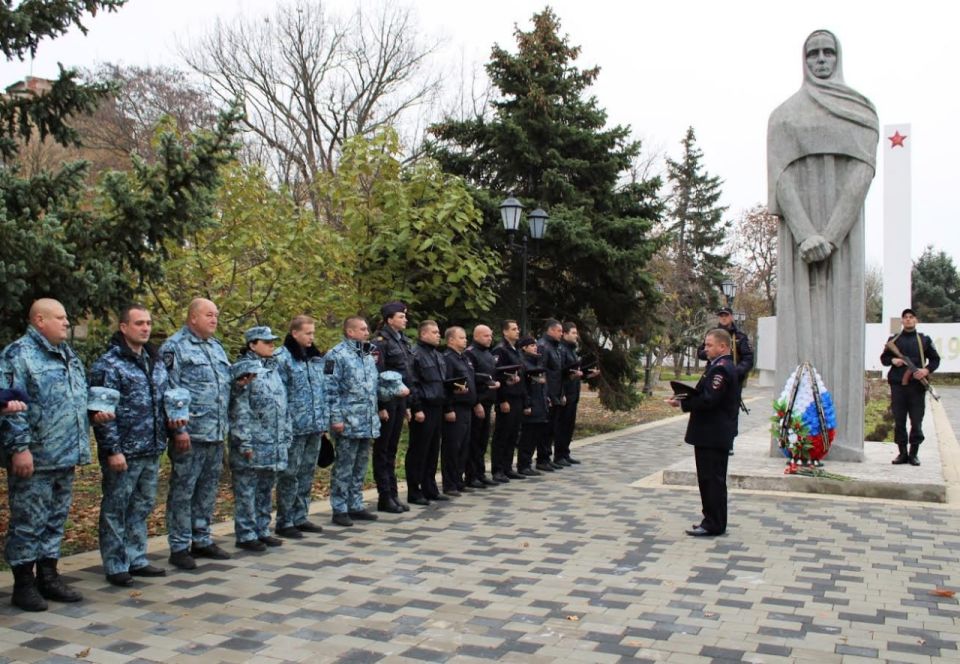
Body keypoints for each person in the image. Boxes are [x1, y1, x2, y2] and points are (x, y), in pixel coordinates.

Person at [768, 29, 878, 461]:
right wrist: (803, 232)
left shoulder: (860, 110)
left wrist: (830, 235)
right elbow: (780, 177)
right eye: (812, 53)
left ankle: (842, 439)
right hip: (799, 241)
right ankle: (794, 439)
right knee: (802, 329)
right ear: (803, 60)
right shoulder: (784, 116)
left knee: (842, 326)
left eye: (828, 52)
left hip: (842, 241)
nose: (820, 60)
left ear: (839, 56)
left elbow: (863, 172)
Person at [1, 298, 113, 611]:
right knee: (27, 522)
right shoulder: (18, 355)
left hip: (65, 454)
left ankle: (48, 576)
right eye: (60, 317)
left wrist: (94, 412)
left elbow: (72, 399)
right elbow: (11, 407)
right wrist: (19, 448)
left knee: (54, 520)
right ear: (39, 320)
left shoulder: (68, 355)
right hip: (35, 457)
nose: (66, 322)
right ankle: (23, 583)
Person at [90, 304, 184, 587]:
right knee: (116, 508)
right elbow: (102, 414)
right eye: (139, 323)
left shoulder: (154, 361)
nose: (145, 328)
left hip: (151, 448)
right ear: (123, 327)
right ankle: (116, 563)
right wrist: (113, 450)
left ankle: (136, 557)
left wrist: (177, 425)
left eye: (148, 323)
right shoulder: (109, 365)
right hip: (124, 451)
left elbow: (168, 400)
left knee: (141, 506)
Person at [160, 298, 233, 570]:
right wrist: (179, 429)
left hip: (215, 432)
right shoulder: (175, 347)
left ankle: (201, 538)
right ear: (192, 318)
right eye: (208, 315)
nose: (214, 319)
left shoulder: (216, 347)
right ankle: (179, 545)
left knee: (207, 489)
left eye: (216, 314)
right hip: (190, 434)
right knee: (183, 490)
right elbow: (170, 391)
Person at [666, 329, 739, 537]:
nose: (705, 349)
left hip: (713, 434)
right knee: (708, 479)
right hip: (711, 434)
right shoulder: (717, 366)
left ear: (722, 346)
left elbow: (709, 399)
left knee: (711, 480)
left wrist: (683, 403)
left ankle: (714, 523)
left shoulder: (721, 370)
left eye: (709, 345)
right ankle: (712, 520)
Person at [229, 326, 291, 551]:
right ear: (252, 345)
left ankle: (262, 529)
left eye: (273, 341)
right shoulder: (244, 370)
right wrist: (243, 440)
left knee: (266, 486)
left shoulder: (272, 369)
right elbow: (240, 408)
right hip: (252, 441)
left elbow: (282, 404)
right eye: (266, 342)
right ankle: (246, 534)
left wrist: (286, 433)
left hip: (273, 441)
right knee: (247, 489)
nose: (271, 345)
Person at [273, 315, 329, 537]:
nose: (311, 337)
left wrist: (323, 421)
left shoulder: (315, 358)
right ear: (295, 333)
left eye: (313, 333)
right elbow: (279, 395)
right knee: (289, 474)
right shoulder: (282, 358)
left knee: (307, 472)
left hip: (314, 427)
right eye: (308, 333)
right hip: (293, 428)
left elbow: (323, 390)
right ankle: (285, 521)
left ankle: (300, 516)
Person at [325, 316, 380, 527]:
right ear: (350, 332)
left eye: (367, 329)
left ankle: (355, 504)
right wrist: (336, 418)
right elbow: (329, 389)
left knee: (360, 465)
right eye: (363, 329)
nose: (367, 332)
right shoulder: (334, 355)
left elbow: (372, 387)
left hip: (367, 420)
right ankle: (339, 508)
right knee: (344, 466)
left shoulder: (367, 354)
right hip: (347, 422)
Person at [880, 309, 940, 466]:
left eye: (911, 317)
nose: (908, 320)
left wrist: (925, 370)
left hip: (917, 387)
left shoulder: (924, 340)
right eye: (905, 318)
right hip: (898, 386)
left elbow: (935, 360)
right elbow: (884, 359)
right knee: (899, 421)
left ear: (916, 320)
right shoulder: (894, 340)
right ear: (902, 321)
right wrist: (893, 360)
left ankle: (914, 454)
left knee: (916, 420)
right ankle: (902, 453)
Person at [371, 302, 413, 513]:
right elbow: (377, 376)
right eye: (400, 316)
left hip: (400, 401)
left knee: (392, 450)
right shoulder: (380, 342)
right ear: (389, 319)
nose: (405, 319)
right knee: (383, 449)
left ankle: (393, 494)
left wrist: (407, 405)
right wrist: (380, 405)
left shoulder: (403, 340)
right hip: (387, 402)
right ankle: (384, 496)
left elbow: (406, 376)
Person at [698, 307, 753, 452]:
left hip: (733, 377)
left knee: (731, 409)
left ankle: (729, 441)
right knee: (711, 404)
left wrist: (736, 372)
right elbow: (701, 352)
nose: (723, 318)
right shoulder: (712, 334)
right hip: (714, 375)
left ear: (731, 317)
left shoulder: (740, 336)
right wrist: (710, 351)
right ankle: (711, 437)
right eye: (721, 315)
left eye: (726, 316)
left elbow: (748, 358)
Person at [406, 320, 448, 505]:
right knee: (419, 450)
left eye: (438, 332)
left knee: (432, 450)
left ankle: (430, 487)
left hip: (437, 406)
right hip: (424, 407)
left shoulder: (438, 355)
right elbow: (413, 383)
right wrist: (417, 408)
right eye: (434, 332)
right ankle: (414, 491)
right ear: (423, 334)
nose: (438, 335)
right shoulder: (415, 354)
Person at [440, 326, 480, 496]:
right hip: (455, 407)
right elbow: (447, 384)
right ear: (451, 340)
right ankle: (449, 484)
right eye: (461, 337)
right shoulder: (448, 359)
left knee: (464, 446)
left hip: (466, 407)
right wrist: (448, 407)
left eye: (465, 337)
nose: (465, 340)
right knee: (452, 446)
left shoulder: (463, 358)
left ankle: (458, 480)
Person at [555, 322, 599, 465]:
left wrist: (587, 374)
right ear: (565, 334)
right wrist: (562, 392)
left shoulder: (572, 350)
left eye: (576, 333)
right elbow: (562, 373)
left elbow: (575, 372)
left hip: (574, 393)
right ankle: (559, 455)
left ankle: (565, 453)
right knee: (562, 425)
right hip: (566, 393)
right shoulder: (561, 350)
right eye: (573, 333)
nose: (576, 336)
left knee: (569, 425)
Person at [490, 320, 527, 482]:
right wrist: (501, 400)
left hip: (517, 396)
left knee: (513, 434)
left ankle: (507, 467)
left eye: (518, 329)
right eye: (513, 329)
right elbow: (497, 376)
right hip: (507, 398)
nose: (517, 331)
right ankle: (498, 469)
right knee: (502, 434)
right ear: (505, 332)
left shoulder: (516, 350)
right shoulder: (501, 350)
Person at [464, 325, 500, 487]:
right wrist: (476, 401)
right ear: (476, 336)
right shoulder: (470, 353)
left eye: (490, 336)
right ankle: (471, 475)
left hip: (488, 401)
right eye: (486, 336)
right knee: (474, 440)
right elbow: (470, 378)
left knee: (483, 441)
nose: (489, 338)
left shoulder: (488, 354)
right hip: (477, 402)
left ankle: (480, 472)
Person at [517, 337, 549, 476]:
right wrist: (527, 404)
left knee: (535, 435)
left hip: (540, 403)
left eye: (535, 345)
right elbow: (524, 387)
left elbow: (542, 384)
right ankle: (523, 465)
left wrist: (546, 398)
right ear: (524, 347)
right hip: (531, 405)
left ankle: (528, 463)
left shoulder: (536, 361)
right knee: (527, 437)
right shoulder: (523, 363)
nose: (535, 347)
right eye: (531, 345)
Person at [538, 320, 566, 470]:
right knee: (545, 428)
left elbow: (558, 374)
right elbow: (542, 372)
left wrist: (561, 393)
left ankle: (547, 457)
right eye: (559, 331)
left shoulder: (556, 348)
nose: (561, 334)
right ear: (551, 330)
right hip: (548, 394)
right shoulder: (543, 346)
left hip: (556, 393)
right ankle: (542, 459)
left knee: (552, 428)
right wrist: (546, 394)